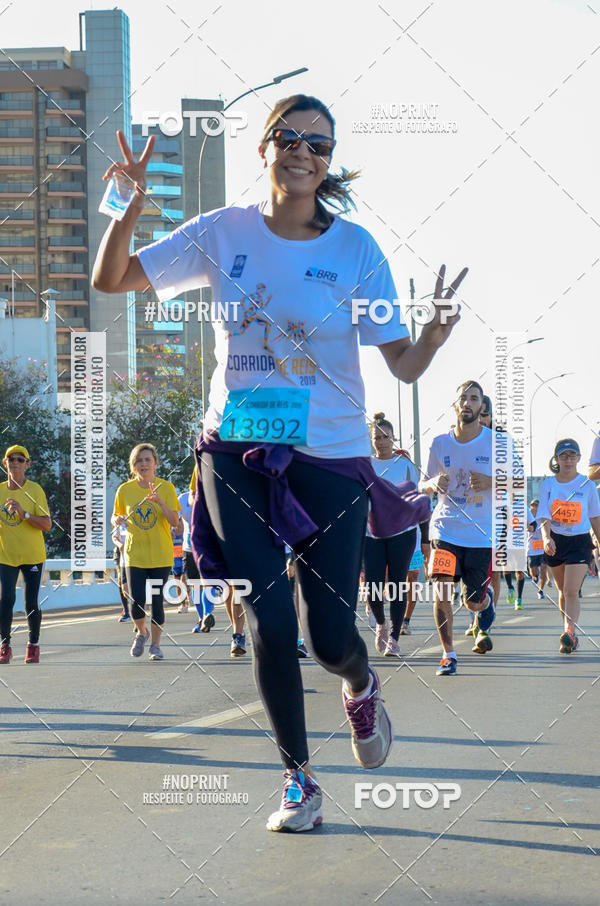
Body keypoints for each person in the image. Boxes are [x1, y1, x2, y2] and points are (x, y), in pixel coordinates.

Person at [93, 93, 465, 832]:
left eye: (318, 145)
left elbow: (404, 364)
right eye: (290, 138)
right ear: (264, 147)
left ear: (329, 163)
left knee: (328, 639)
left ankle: (360, 686)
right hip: (235, 448)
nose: (303, 152)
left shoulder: (355, 250)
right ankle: (300, 780)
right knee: (266, 617)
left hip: (329, 453)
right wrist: (127, 206)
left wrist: (432, 336)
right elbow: (113, 279)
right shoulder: (221, 231)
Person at [421, 381, 497, 675]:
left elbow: (517, 482)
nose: (467, 403)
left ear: (481, 406)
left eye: (473, 398)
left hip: (479, 534)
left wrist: (490, 482)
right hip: (445, 529)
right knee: (442, 591)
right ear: (455, 405)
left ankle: (485, 603)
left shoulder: (497, 444)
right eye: (463, 398)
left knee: (472, 603)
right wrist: (432, 483)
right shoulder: (440, 443)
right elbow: (423, 484)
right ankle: (448, 654)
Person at [112, 444, 181, 661]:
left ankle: (156, 646)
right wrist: (117, 519)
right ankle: (142, 632)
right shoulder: (125, 490)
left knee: (157, 601)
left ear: (155, 463)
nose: (143, 464)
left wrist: (160, 501)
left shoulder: (166, 487)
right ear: (133, 466)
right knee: (136, 601)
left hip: (160, 554)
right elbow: (115, 516)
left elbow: (175, 522)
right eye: (139, 461)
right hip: (135, 554)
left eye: (147, 460)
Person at [363, 414, 422, 657]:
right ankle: (381, 623)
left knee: (398, 584)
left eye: (385, 436)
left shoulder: (405, 465)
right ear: (371, 440)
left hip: (402, 533)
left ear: (393, 438)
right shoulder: (365, 464)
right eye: (376, 437)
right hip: (372, 534)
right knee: (372, 588)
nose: (381, 441)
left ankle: (395, 638)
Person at [537, 439, 600, 653]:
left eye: (572, 456)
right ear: (557, 459)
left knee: (571, 590)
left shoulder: (587, 485)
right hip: (556, 540)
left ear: (579, 458)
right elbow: (544, 515)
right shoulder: (548, 485)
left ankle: (569, 632)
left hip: (579, 541)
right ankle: (570, 634)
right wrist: (547, 538)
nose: (568, 460)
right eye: (564, 456)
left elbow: (595, 517)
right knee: (562, 591)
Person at [0, 444, 52, 664]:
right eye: (11, 459)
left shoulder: (35, 490)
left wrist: (24, 514)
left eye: (20, 459)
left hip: (32, 555)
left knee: (30, 602)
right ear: (5, 463)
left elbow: (47, 524)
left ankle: (33, 644)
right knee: (6, 599)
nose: (15, 462)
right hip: (6, 556)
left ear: (27, 465)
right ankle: (5, 645)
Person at [527, 499, 548, 598]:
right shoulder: (527, 517)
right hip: (531, 548)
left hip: (542, 547)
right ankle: (535, 576)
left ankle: (540, 590)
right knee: (533, 572)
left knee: (544, 568)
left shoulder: (542, 517)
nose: (534, 507)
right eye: (533, 505)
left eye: (536, 506)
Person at [112, 521, 131, 622]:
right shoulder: (119, 519)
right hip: (120, 554)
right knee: (121, 581)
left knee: (134, 582)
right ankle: (126, 610)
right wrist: (120, 545)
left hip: (135, 553)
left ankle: (137, 609)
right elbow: (114, 536)